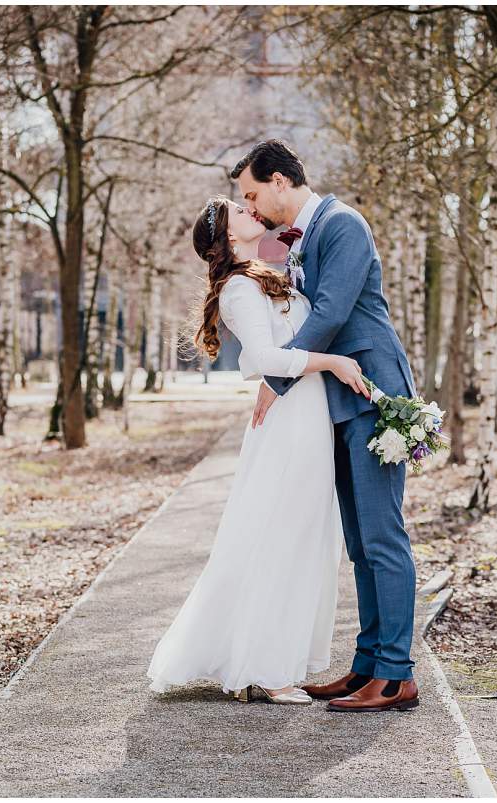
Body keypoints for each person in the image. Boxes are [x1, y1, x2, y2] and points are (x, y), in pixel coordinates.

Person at [145, 194, 367, 705]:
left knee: (305, 535)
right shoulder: (239, 288)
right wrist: (332, 362)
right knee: (282, 536)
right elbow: (263, 356)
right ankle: (267, 668)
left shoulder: (265, 272)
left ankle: (268, 659)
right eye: (238, 211)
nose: (251, 210)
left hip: (308, 416)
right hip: (289, 426)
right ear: (226, 236)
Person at [234, 139, 420, 713]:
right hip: (340, 399)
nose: (253, 205)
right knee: (360, 541)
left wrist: (276, 381)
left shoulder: (342, 225)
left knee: (382, 537)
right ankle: (367, 665)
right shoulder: (306, 239)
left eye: (252, 193)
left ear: (280, 181)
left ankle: (396, 674)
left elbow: (333, 312)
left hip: (373, 393)